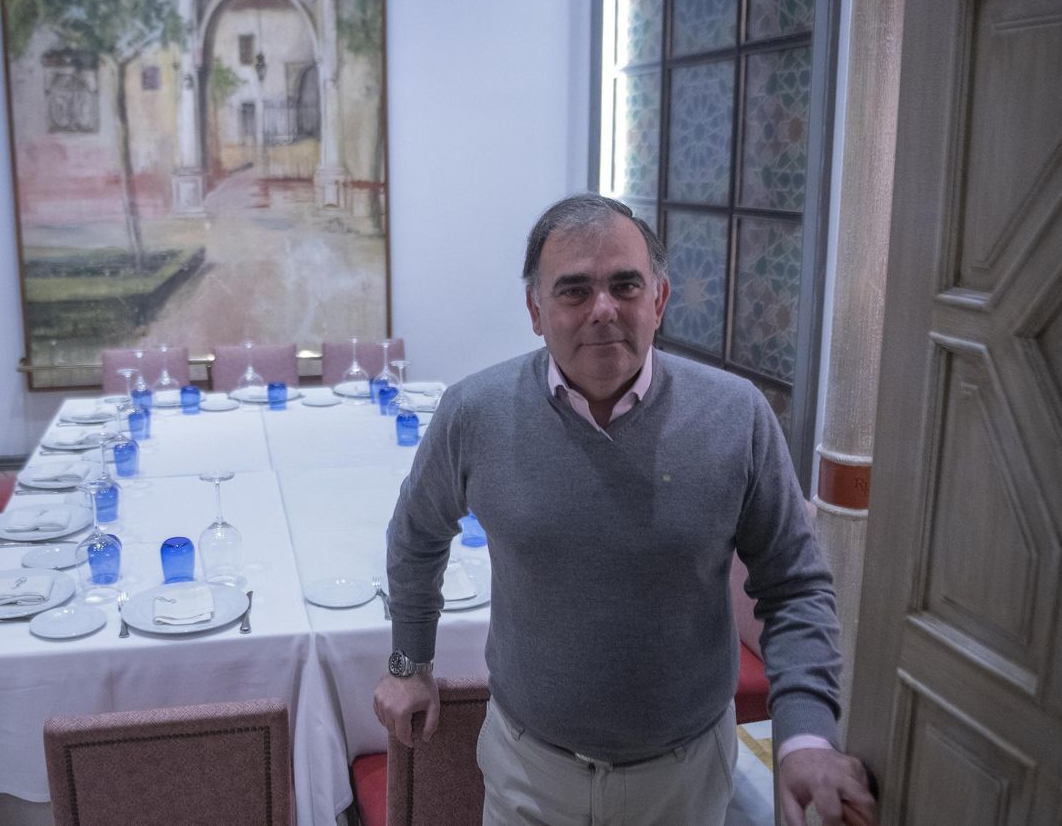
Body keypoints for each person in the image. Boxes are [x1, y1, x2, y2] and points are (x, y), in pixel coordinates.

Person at [372, 194, 877, 825]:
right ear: (535, 310)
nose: (603, 310)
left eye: (625, 285)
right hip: (529, 771)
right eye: (574, 290)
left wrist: (805, 736)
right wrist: (408, 662)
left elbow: (795, 585)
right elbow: (416, 537)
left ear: (658, 299)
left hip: (685, 779)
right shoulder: (474, 414)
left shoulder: (736, 415)